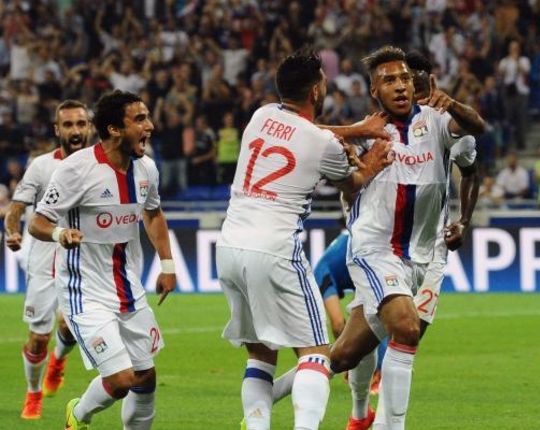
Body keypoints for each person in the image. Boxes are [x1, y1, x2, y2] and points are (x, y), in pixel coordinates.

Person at [216, 48, 392, 430]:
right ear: (316, 91)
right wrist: (374, 162)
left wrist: (356, 129)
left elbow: (307, 132)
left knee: (260, 356)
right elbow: (354, 184)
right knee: (316, 355)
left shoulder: (261, 115)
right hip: (277, 249)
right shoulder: (323, 144)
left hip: (229, 246)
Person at [335, 45, 485, 430]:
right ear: (375, 90)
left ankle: (274, 394)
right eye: (395, 80)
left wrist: (463, 221)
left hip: (427, 254)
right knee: (406, 328)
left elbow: (474, 149)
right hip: (377, 249)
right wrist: (356, 169)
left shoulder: (440, 120)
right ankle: (376, 421)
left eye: (410, 79)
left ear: (427, 82)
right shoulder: (369, 131)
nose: (406, 87)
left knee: (343, 356)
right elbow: (344, 183)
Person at [27, 90, 176, 429]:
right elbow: (38, 221)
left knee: (146, 377)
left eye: (147, 117)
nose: (149, 126)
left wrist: (167, 265)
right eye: (139, 119)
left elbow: (153, 215)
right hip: (85, 293)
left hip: (128, 289)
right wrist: (59, 235)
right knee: (123, 380)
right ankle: (78, 414)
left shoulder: (146, 169)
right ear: (113, 129)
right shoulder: (76, 170)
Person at [4, 100, 91, 419]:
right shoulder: (41, 166)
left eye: (81, 124)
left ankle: (59, 361)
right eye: (68, 125)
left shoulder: (102, 164)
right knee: (39, 337)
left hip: (83, 261)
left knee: (68, 327)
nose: (75, 130)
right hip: (43, 262)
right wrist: (11, 233)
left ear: (90, 127)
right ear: (57, 130)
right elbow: (16, 208)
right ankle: (34, 393)